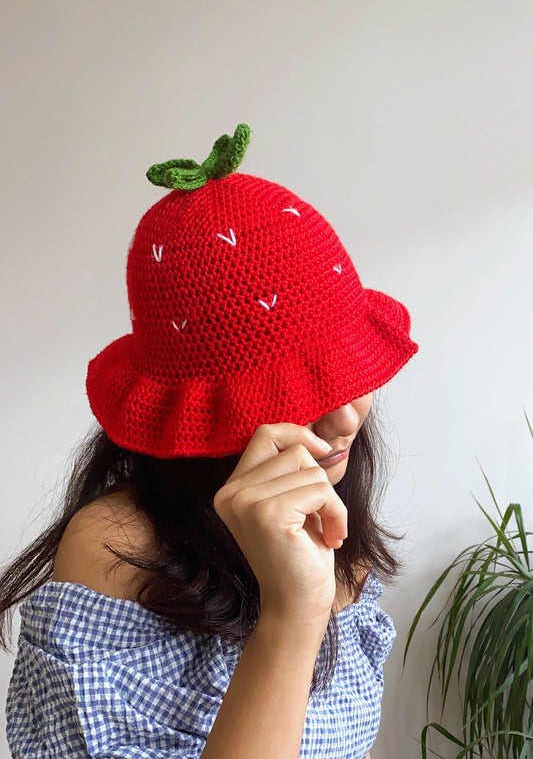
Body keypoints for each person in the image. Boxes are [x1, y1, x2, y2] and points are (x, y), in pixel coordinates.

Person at [0, 124, 418, 759]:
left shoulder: (333, 512)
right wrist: (292, 616)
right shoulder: (116, 550)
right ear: (203, 415)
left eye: (348, 373)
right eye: (294, 396)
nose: (347, 420)